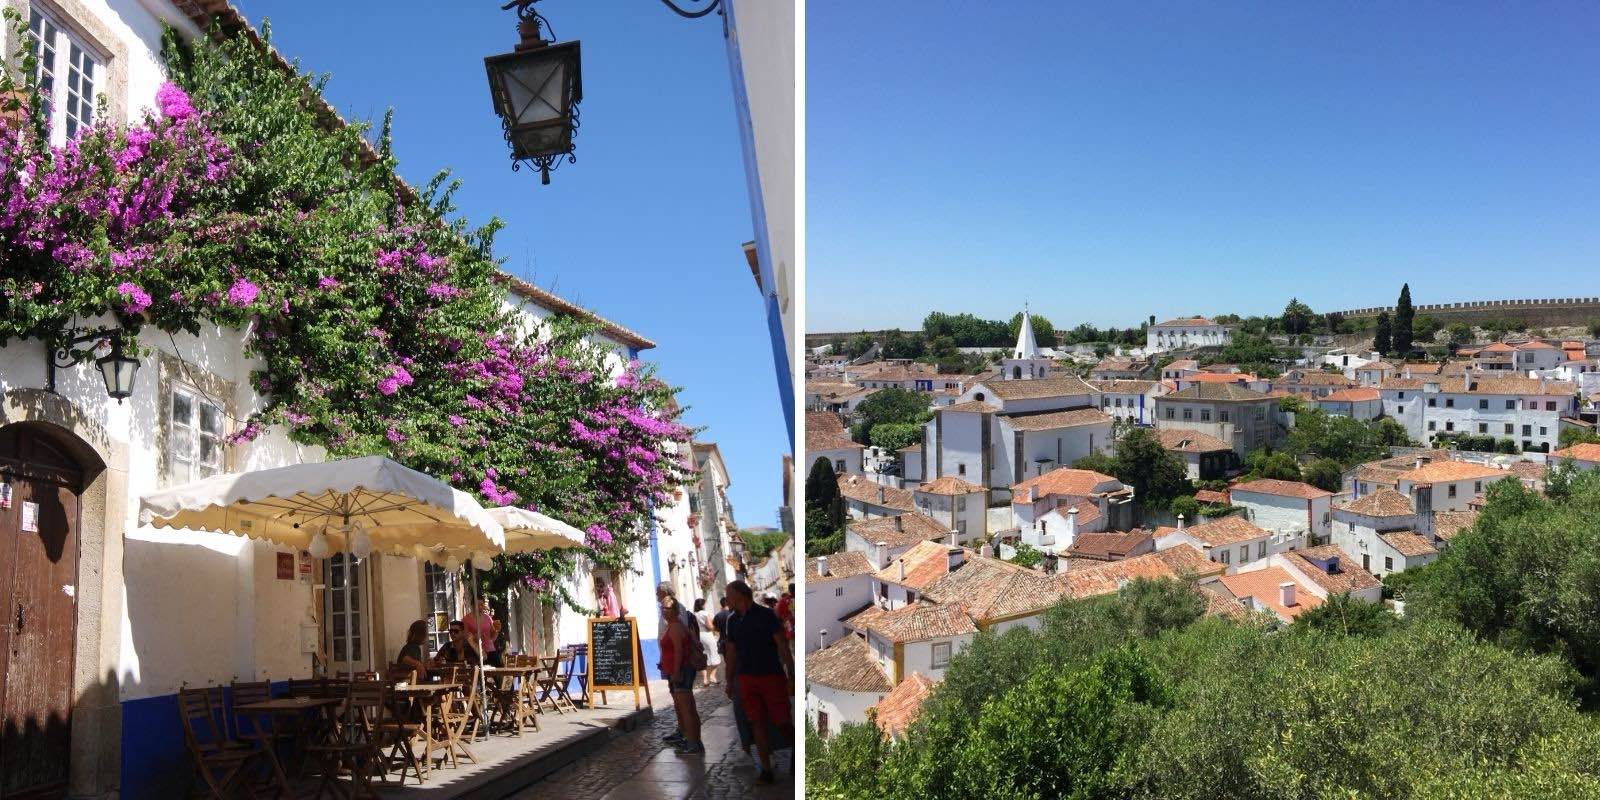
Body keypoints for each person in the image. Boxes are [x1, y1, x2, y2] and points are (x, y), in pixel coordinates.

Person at [724, 580, 794, 784]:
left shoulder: (766, 615)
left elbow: (782, 645)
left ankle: (798, 750)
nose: (727, 599)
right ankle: (766, 769)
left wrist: (791, 675)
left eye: (729, 595)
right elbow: (731, 653)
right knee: (756, 723)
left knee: (782, 722)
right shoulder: (732, 621)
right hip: (746, 678)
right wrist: (729, 681)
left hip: (771, 675)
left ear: (740, 595)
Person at [657, 590, 703, 754]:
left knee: (686, 708)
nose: (664, 611)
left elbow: (679, 651)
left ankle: (692, 743)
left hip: (681, 671)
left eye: (667, 608)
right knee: (688, 707)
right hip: (678, 670)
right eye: (662, 608)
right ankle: (695, 741)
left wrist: (676, 671)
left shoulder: (676, 627)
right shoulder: (674, 625)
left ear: (675, 610)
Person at [464, 596, 501, 667]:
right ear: (472, 605)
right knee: (480, 672)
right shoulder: (466, 620)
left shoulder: (488, 618)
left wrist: (496, 631)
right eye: (477, 605)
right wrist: (475, 638)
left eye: (481, 605)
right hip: (476, 652)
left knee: (499, 670)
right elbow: (465, 638)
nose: (480, 607)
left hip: (490, 650)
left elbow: (492, 638)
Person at [693, 598, 722, 687]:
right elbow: (709, 626)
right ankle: (712, 676)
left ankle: (705, 680)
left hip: (699, 636)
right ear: (702, 605)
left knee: (704, 657)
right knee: (714, 655)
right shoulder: (705, 613)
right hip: (707, 635)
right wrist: (716, 628)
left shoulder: (694, 615)